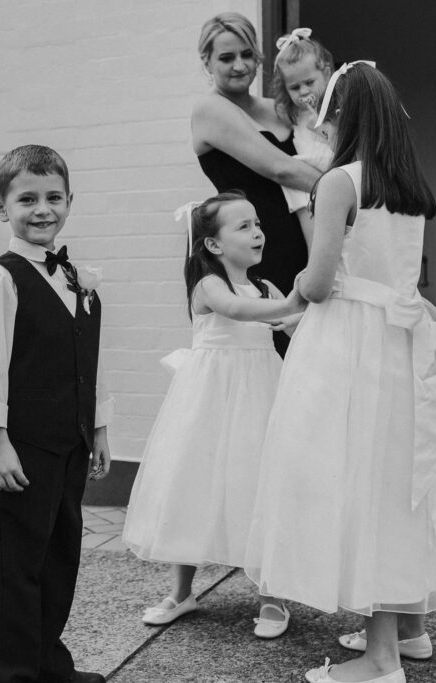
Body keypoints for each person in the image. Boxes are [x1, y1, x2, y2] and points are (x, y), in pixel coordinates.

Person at [243, 63, 436, 683]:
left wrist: (292, 292)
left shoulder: (338, 183)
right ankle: (409, 630)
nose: (321, 127)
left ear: (342, 118)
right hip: (405, 341)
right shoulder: (408, 187)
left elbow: (323, 280)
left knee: (357, 477)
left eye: (326, 116)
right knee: (399, 476)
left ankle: (379, 662)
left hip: (352, 343)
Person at [122, 191, 305, 639]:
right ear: (214, 245)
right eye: (243, 226)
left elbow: (291, 321)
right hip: (210, 398)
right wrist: (290, 304)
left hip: (261, 394)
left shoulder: (267, 289)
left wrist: (297, 317)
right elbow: (235, 310)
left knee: (261, 484)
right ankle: (182, 591)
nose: (258, 231)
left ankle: (271, 595)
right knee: (193, 483)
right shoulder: (208, 285)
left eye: (257, 222)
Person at [0, 144, 113, 683]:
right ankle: (14, 676)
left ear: (70, 201)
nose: (42, 209)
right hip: (24, 445)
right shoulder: (2, 278)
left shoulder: (79, 280)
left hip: (71, 441)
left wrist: (97, 427)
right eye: (26, 198)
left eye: (53, 197)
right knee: (16, 569)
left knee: (58, 560)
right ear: (2, 208)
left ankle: (50, 667)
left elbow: (90, 361)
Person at [192, 12, 323, 356]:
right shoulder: (209, 109)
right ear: (206, 61)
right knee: (274, 351)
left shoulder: (279, 109)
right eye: (226, 57)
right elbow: (281, 169)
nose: (239, 65)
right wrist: (347, 191)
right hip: (254, 247)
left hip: (305, 240)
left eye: (247, 54)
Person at [270, 28, 336, 249]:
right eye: (294, 87)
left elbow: (340, 137)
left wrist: (318, 120)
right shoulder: (293, 112)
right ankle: (313, 252)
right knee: (298, 194)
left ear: (326, 74)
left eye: (309, 82)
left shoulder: (335, 104)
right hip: (308, 177)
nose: (303, 91)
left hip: (332, 163)